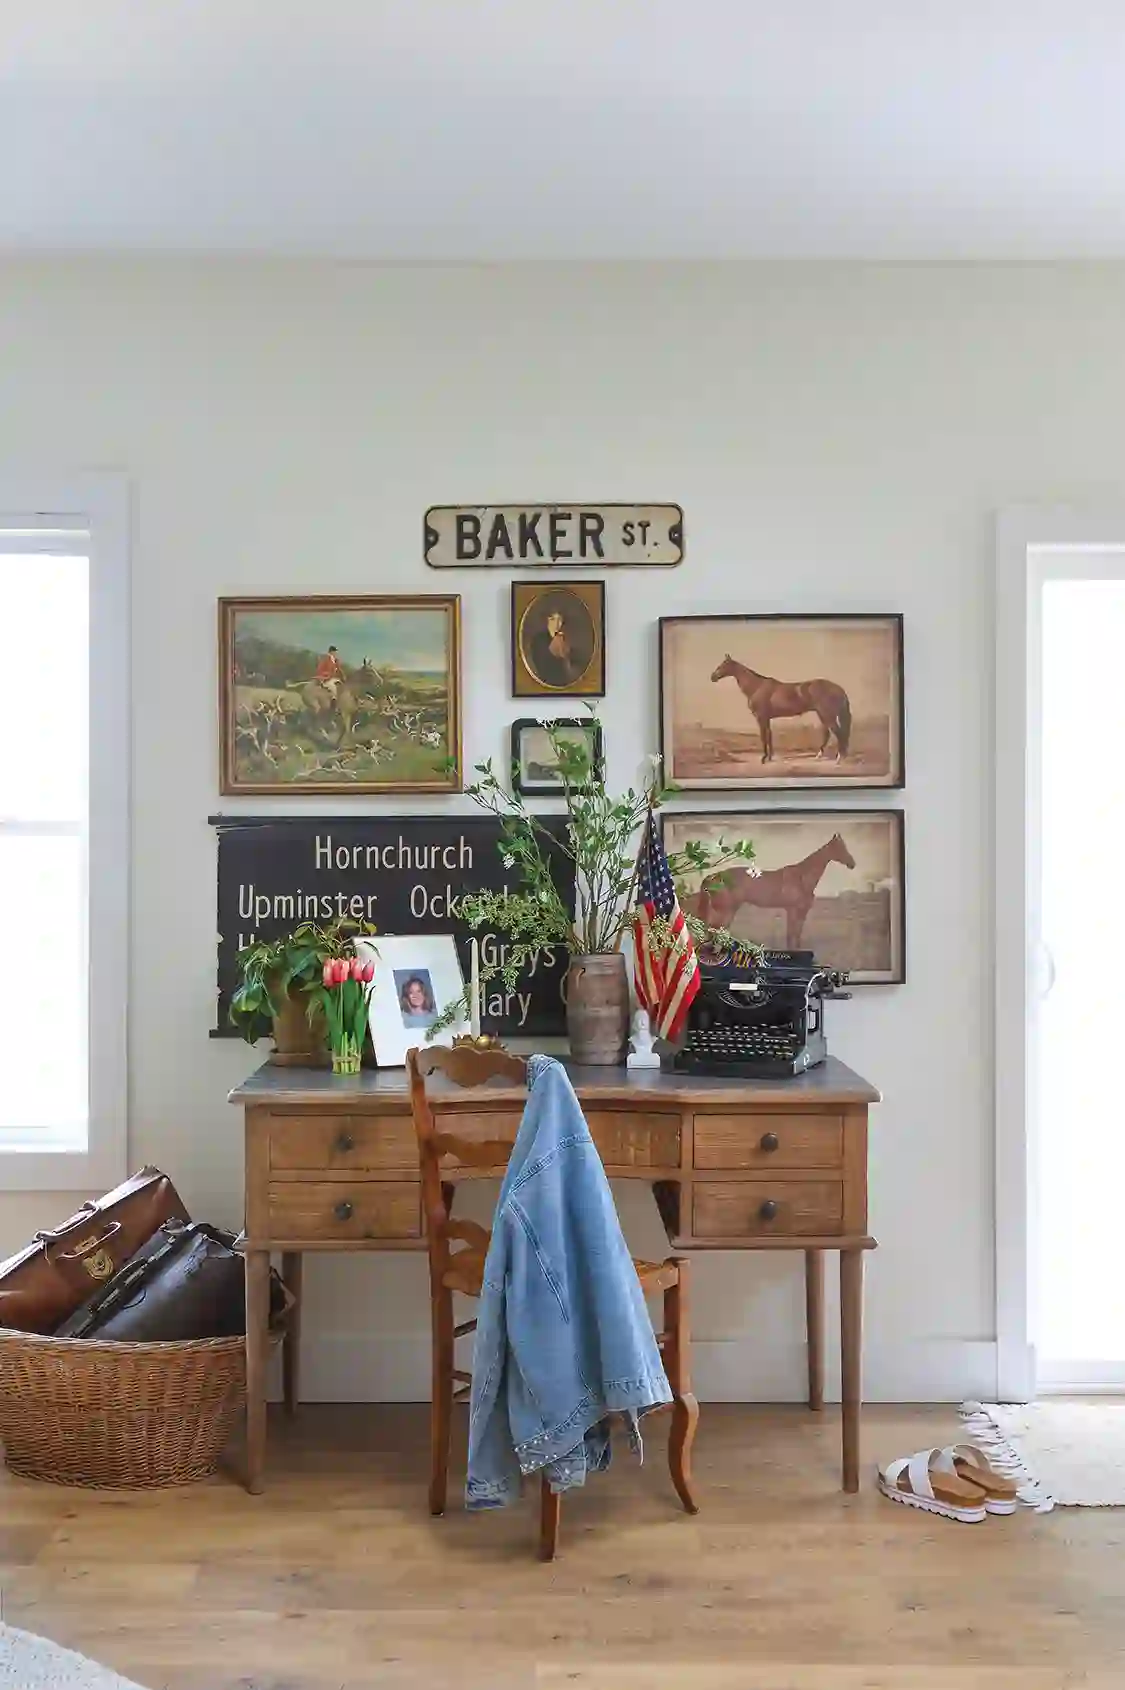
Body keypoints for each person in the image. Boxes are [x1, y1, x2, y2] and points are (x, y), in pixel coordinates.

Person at [529, 609, 584, 688]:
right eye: (555, 619)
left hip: (564, 681)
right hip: (546, 681)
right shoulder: (539, 639)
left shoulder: (563, 637)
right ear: (548, 620)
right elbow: (541, 663)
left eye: (560, 620)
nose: (558, 623)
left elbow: (571, 658)